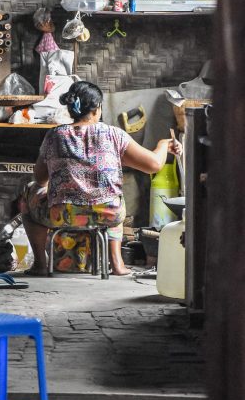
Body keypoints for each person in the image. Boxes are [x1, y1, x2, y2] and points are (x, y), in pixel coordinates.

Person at [20, 80, 182, 277]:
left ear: (71, 109)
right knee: (113, 196)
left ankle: (40, 264)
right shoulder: (113, 134)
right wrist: (164, 144)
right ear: (97, 109)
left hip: (61, 214)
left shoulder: (55, 135)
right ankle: (117, 264)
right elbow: (154, 165)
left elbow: (39, 179)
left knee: (30, 190)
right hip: (108, 213)